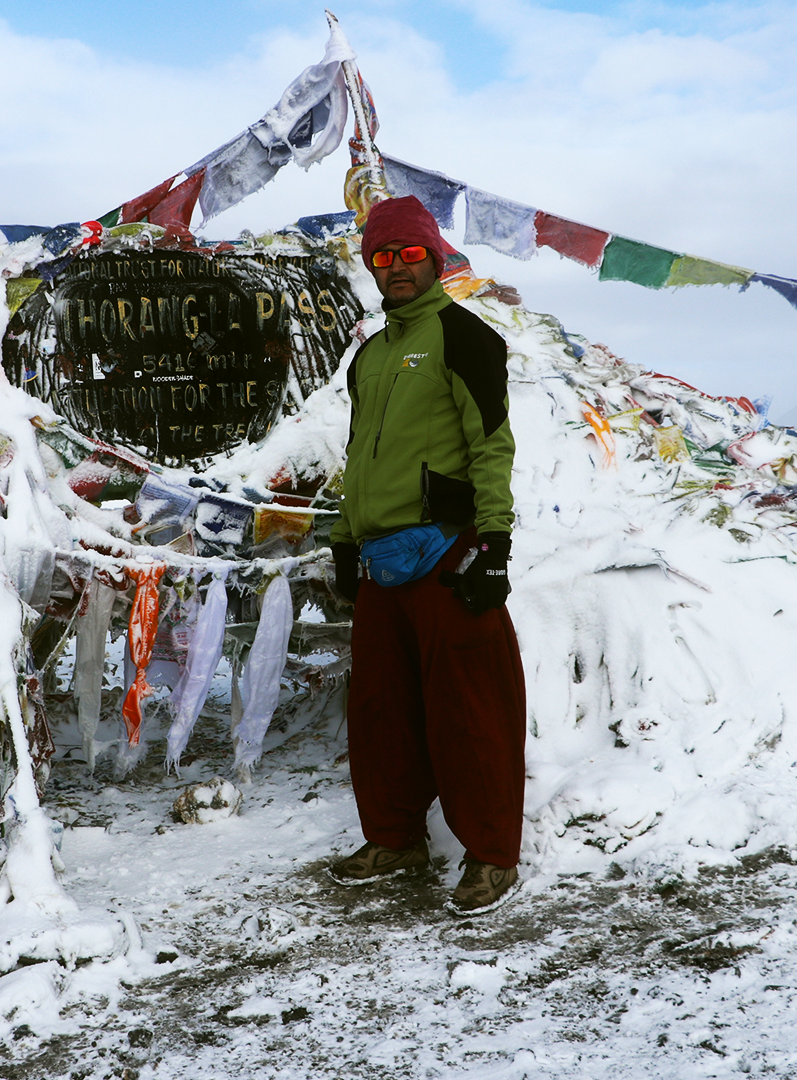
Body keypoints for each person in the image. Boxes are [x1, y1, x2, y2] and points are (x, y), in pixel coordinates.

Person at [327, 195, 527, 917]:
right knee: (382, 710)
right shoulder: (372, 355)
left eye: (409, 253)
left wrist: (495, 544)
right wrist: (345, 544)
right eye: (383, 256)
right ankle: (395, 838)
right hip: (382, 558)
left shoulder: (464, 337)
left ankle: (491, 856)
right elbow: (358, 457)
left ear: (433, 258)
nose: (396, 267)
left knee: (468, 710)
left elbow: (491, 443)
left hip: (448, 549)